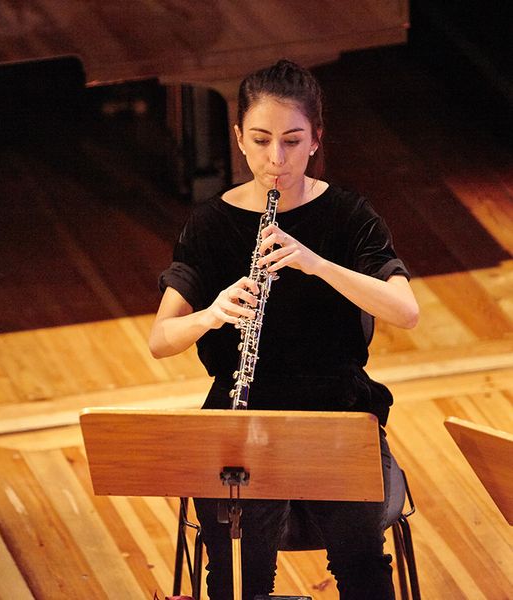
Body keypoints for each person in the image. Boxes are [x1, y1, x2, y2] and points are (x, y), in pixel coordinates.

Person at [148, 59, 419, 600]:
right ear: (239, 140)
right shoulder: (210, 224)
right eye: (261, 139)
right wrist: (212, 313)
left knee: (362, 571)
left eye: (293, 141)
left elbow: (405, 311)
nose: (276, 159)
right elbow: (161, 341)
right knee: (236, 583)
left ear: (316, 139)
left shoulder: (348, 216)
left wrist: (316, 263)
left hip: (337, 415)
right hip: (241, 421)